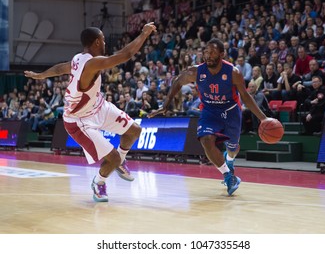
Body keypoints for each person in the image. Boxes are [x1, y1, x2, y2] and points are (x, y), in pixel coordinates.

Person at [24, 22, 157, 202]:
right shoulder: (92, 63)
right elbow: (126, 54)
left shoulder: (78, 59)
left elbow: (59, 68)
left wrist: (41, 75)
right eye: (103, 40)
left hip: (98, 106)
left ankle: (120, 161)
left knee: (134, 131)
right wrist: (144, 34)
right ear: (96, 42)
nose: (105, 44)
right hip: (79, 121)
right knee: (113, 158)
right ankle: (99, 183)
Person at [149, 38, 268, 196]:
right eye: (206, 52)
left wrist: (263, 118)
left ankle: (230, 160)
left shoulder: (233, 72)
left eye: (212, 52)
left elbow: (245, 96)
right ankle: (228, 176)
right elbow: (178, 81)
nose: (208, 55)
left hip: (231, 111)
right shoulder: (196, 71)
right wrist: (166, 104)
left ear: (222, 54)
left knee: (233, 148)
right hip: (210, 110)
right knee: (205, 140)